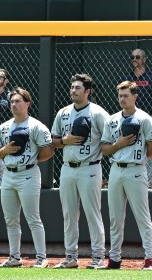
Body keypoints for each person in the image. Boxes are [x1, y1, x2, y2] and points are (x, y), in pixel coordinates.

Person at [50, 73, 111, 269]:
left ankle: (98, 257)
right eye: (72, 87)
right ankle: (70, 256)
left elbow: (109, 138)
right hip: (68, 167)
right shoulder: (63, 112)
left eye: (78, 88)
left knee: (93, 213)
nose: (73, 90)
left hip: (90, 167)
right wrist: (64, 141)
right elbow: (53, 141)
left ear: (88, 91)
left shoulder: (98, 113)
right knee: (69, 214)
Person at [0, 87, 54, 268]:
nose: (14, 104)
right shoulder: (4, 127)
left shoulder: (36, 126)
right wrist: (4, 151)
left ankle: (41, 258)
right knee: (10, 219)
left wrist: (33, 159)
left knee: (33, 217)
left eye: (18, 101)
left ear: (27, 103)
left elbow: (49, 150)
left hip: (28, 174)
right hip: (8, 175)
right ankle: (14, 257)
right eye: (12, 101)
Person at [100, 81, 152, 270]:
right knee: (115, 217)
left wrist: (136, 157)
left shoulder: (145, 119)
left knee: (142, 216)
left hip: (135, 169)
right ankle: (115, 259)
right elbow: (105, 149)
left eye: (126, 95)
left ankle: (149, 258)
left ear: (135, 96)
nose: (122, 99)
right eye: (120, 95)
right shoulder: (112, 119)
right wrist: (120, 144)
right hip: (116, 168)